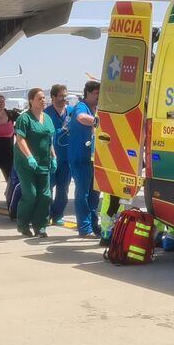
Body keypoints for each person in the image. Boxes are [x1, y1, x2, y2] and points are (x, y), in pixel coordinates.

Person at [13, 87, 56, 237]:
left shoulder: (48, 118)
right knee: (30, 194)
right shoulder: (24, 119)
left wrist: (54, 157)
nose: (43, 100)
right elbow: (20, 139)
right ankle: (23, 224)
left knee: (45, 196)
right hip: (26, 164)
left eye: (44, 98)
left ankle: (41, 225)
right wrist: (29, 157)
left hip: (44, 162)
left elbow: (49, 140)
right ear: (31, 101)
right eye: (40, 98)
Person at [68, 80, 100, 238]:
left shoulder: (97, 109)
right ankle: (85, 228)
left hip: (94, 160)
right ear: (87, 93)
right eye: (96, 94)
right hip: (80, 158)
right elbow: (81, 117)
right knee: (83, 194)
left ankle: (94, 225)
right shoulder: (81, 107)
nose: (98, 97)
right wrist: (97, 121)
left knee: (94, 195)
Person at [44, 84, 71, 226]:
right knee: (48, 188)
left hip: (67, 158)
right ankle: (45, 214)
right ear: (53, 97)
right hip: (50, 157)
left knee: (64, 189)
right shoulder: (46, 114)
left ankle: (58, 214)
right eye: (60, 96)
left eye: (65, 96)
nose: (63, 99)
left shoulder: (71, 112)